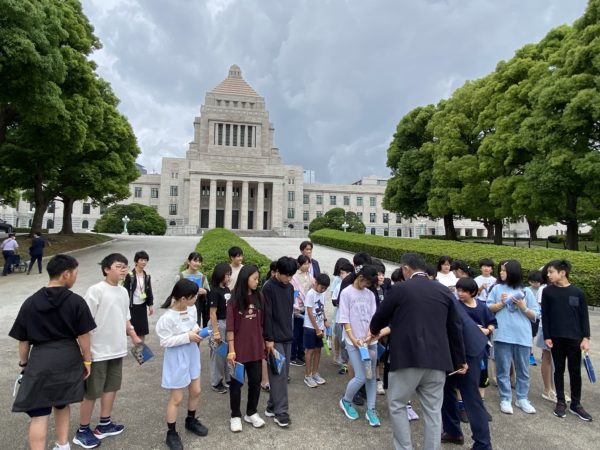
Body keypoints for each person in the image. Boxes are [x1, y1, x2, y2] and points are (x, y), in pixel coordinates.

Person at [369, 253, 466, 450]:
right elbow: (455, 327)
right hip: (438, 360)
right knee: (433, 410)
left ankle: (404, 447)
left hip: (407, 358)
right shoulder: (443, 290)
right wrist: (460, 359)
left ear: (406, 269)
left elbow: (381, 315)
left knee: (397, 404)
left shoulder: (400, 289)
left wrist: (374, 331)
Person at [9, 255, 96, 450]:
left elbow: (23, 339)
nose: (76, 277)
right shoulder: (76, 301)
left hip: (40, 358)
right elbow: (84, 336)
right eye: (75, 273)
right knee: (62, 403)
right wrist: (87, 361)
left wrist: (24, 363)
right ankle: (62, 444)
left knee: (39, 412)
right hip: (68, 357)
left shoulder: (31, 302)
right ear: (66, 274)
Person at [73, 253, 143, 449]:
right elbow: (84, 323)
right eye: (119, 266)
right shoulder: (96, 290)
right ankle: (82, 430)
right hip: (98, 351)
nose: (123, 270)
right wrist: (85, 353)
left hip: (117, 349)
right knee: (91, 392)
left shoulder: (123, 291)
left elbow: (125, 317)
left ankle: (104, 423)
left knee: (111, 387)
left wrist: (134, 335)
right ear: (106, 269)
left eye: (125, 267)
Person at [441, 277, 494, 450]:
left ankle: (483, 444)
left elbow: (457, 330)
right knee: (447, 389)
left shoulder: (440, 297)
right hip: (456, 349)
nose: (459, 293)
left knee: (471, 396)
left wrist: (462, 361)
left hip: (469, 350)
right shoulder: (443, 295)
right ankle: (452, 432)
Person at [156, 278, 208, 450]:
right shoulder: (167, 318)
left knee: (196, 390)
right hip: (177, 358)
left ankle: (190, 420)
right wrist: (187, 336)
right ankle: (171, 433)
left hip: (192, 353)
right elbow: (165, 341)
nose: (196, 299)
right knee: (176, 398)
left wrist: (196, 330)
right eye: (194, 296)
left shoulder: (191, 308)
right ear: (183, 298)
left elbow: (193, 323)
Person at [486, 259, 539, 416]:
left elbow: (535, 315)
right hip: (502, 334)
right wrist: (502, 303)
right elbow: (488, 308)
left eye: (504, 270)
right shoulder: (497, 288)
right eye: (501, 270)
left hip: (522, 336)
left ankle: (522, 398)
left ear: (512, 272)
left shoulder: (526, 291)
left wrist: (523, 307)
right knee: (503, 369)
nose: (501, 272)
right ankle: (505, 398)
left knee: (523, 370)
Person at [542, 259, 592, 421]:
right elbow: (545, 316)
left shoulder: (578, 292)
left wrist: (586, 337)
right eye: (548, 272)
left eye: (551, 272)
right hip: (556, 338)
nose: (548, 275)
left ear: (562, 273)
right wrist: (547, 336)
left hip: (575, 339)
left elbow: (584, 317)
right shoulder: (548, 292)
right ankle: (561, 401)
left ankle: (576, 404)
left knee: (575, 371)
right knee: (559, 370)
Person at [338, 265, 382, 427]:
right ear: (360, 278)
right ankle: (346, 400)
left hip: (370, 342)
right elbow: (345, 319)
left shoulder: (370, 294)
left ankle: (371, 409)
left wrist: (369, 337)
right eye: (367, 283)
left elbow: (373, 318)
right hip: (354, 343)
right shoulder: (346, 293)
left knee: (370, 376)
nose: (368, 286)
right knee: (361, 377)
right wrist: (353, 338)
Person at [226, 265, 267, 432]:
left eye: (258, 278)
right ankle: (235, 415)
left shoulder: (260, 297)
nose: (257, 282)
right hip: (238, 350)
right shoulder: (234, 300)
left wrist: (264, 343)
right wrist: (231, 350)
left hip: (256, 348)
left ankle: (251, 412)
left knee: (255, 382)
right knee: (236, 384)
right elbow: (230, 328)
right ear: (245, 279)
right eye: (254, 279)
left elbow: (262, 324)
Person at [455, 278, 497, 421]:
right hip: (464, 348)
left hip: (481, 348)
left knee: (482, 377)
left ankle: (480, 407)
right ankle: (462, 407)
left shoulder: (482, 307)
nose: (460, 293)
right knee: (462, 377)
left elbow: (492, 322)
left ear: (473, 292)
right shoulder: (456, 306)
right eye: (458, 290)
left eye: (464, 291)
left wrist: (487, 330)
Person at [263, 256, 297, 427]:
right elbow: (266, 315)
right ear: (277, 272)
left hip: (287, 336)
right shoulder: (268, 287)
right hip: (274, 338)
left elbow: (288, 312)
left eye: (291, 275)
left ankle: (271, 406)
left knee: (283, 373)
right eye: (286, 275)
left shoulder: (290, 287)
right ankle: (281, 412)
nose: (289, 278)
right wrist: (268, 339)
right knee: (279, 374)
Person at [207, 263, 232, 394]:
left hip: (228, 323)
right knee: (217, 354)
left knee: (227, 352)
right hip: (218, 324)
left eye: (229, 275)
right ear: (220, 275)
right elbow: (212, 313)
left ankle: (228, 378)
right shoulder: (214, 291)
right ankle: (216, 382)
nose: (229, 277)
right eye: (227, 275)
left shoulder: (227, 289)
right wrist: (216, 332)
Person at [302, 273, 331, 388]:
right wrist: (317, 329)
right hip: (310, 327)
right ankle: (307, 375)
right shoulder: (310, 294)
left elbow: (321, 309)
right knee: (310, 351)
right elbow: (309, 313)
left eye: (325, 288)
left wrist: (325, 320)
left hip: (320, 327)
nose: (323, 290)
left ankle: (315, 373)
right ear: (316, 283)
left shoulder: (322, 294)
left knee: (318, 350)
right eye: (322, 287)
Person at [123, 251, 154, 342]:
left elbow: (149, 290)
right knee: (132, 329)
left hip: (142, 306)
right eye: (141, 260)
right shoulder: (130, 275)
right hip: (132, 306)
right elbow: (125, 291)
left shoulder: (147, 276)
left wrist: (150, 305)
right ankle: (135, 345)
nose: (144, 262)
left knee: (142, 330)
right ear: (136, 261)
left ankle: (140, 348)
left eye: (145, 260)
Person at [290, 254, 315, 366]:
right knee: (295, 333)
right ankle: (292, 356)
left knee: (302, 333)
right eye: (304, 263)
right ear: (299, 264)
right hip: (297, 309)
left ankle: (301, 354)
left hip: (306, 308)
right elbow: (293, 293)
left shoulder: (310, 276)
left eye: (308, 263)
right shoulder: (294, 276)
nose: (307, 265)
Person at [179, 252, 209, 327]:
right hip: (183, 307)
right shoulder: (181, 276)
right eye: (195, 261)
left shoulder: (202, 277)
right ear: (188, 261)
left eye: (199, 261)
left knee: (195, 327)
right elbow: (174, 294)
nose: (197, 263)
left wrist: (205, 291)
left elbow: (209, 292)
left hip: (197, 306)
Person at [525, 270, 543, 366]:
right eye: (533, 282)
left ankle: (544, 355)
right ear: (529, 281)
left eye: (537, 282)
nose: (535, 284)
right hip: (530, 316)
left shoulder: (543, 289)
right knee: (530, 336)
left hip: (541, 317)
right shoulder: (526, 290)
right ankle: (530, 354)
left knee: (543, 336)